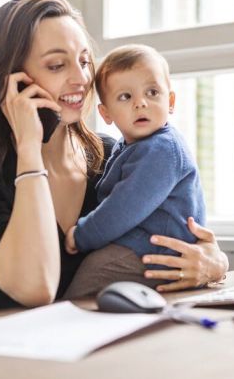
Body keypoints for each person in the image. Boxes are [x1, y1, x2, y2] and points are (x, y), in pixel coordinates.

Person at [0, 0, 228, 317]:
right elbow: (35, 289)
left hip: (75, 349)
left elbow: (180, 232)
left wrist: (213, 262)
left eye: (84, 61)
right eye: (57, 65)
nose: (82, 79)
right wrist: (29, 147)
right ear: (12, 81)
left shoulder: (109, 156)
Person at [62, 44, 206, 298]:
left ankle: (61, 325)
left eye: (152, 92)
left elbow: (123, 207)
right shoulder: (128, 146)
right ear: (106, 113)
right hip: (144, 247)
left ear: (170, 101)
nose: (141, 103)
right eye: (125, 97)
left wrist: (82, 235)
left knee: (89, 280)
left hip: (155, 252)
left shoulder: (162, 149)